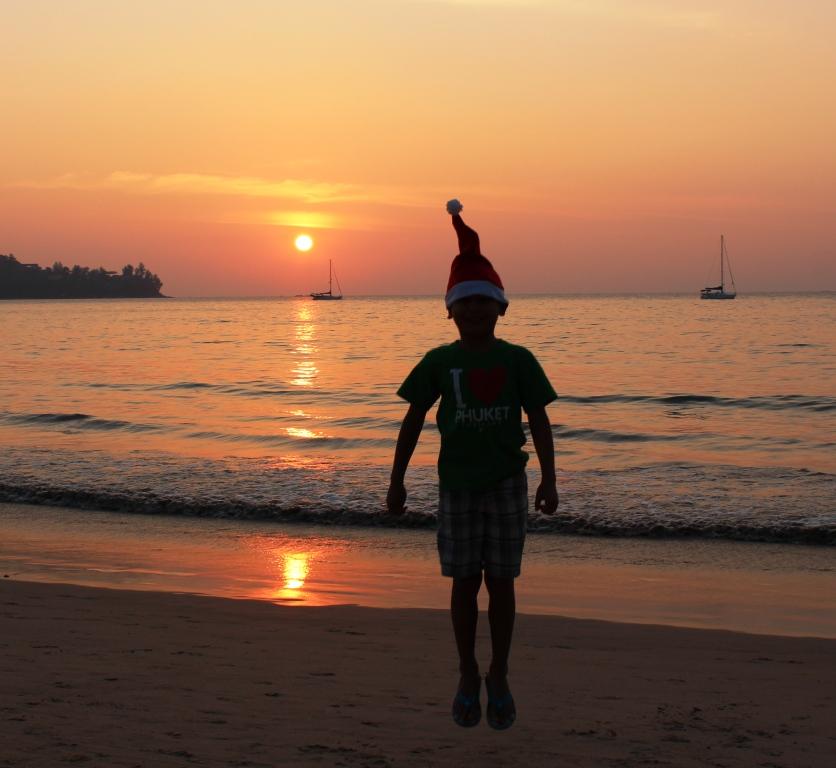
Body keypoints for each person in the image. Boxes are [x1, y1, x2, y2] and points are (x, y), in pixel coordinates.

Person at [386, 199, 558, 730]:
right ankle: (467, 671)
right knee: (464, 583)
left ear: (501, 307)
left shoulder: (518, 360)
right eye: (466, 302)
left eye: (485, 300)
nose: (476, 310)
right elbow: (412, 420)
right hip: (457, 487)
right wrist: (396, 481)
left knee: (501, 583)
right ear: (451, 310)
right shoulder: (440, 362)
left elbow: (539, 419)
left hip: (506, 485)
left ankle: (498, 672)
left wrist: (550, 479)